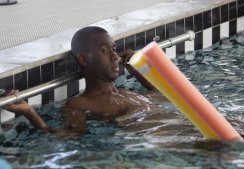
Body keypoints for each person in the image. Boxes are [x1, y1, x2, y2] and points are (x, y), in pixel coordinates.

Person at [1, 26, 157, 134]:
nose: (115, 56)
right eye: (104, 50)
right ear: (83, 59)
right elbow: (69, 136)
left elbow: (163, 95)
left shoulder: (126, 92)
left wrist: (138, 71)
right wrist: (30, 112)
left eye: (114, 49)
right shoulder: (80, 103)